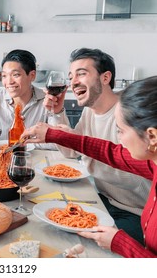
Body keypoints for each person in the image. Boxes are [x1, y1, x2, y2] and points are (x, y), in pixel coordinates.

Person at [21, 75, 157, 258]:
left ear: (152, 137)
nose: (119, 140)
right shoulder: (153, 164)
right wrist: (53, 135)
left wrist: (119, 242)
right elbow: (111, 153)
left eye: (121, 131)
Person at [44, 48, 151, 244]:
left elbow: (130, 175)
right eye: (71, 76)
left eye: (81, 73)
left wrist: (81, 146)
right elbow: (70, 153)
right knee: (51, 220)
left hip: (136, 213)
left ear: (105, 77)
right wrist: (57, 112)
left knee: (78, 245)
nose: (73, 81)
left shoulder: (127, 113)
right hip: (105, 200)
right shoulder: (89, 112)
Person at [0, 49, 66, 149]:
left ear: (32, 76)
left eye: (15, 75)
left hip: (38, 160)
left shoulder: (47, 101)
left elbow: (61, 143)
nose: (9, 81)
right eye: (4, 75)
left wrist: (22, 144)